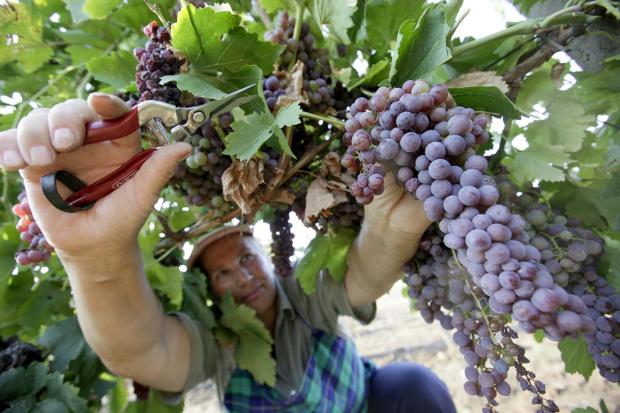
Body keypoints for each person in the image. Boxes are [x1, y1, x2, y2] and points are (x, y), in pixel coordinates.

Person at [0, 94, 457, 412]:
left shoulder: (300, 293)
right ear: (208, 290)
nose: (241, 277)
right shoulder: (215, 344)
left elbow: (365, 276)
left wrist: (389, 230)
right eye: (221, 275)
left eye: (244, 258)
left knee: (411, 383)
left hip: (368, 405)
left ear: (265, 253)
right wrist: (98, 262)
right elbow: (139, 352)